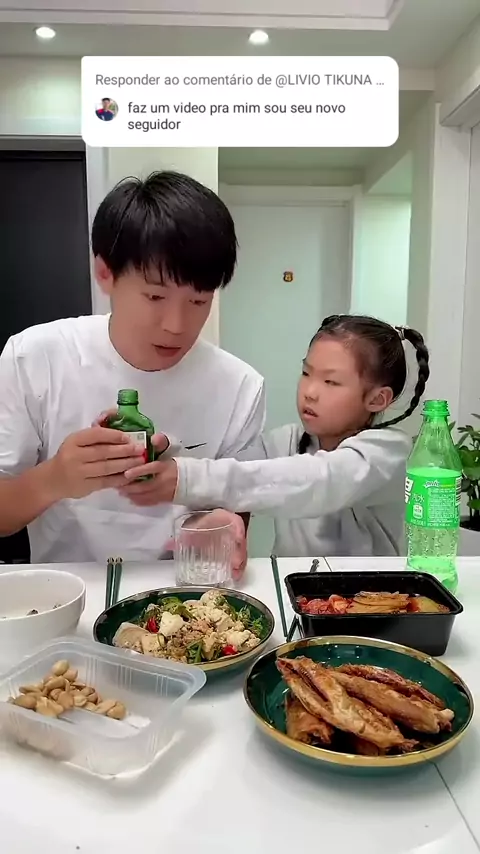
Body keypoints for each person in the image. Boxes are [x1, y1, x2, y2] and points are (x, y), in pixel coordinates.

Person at [0, 171, 265, 566]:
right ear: (105, 273)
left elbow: (236, 509)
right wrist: (55, 478)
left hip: (185, 593)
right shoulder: (33, 358)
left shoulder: (240, 387)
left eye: (199, 301)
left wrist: (223, 525)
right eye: (155, 296)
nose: (176, 326)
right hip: (69, 592)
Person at [123, 315, 430, 557]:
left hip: (371, 602)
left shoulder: (390, 451)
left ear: (377, 399)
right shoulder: (286, 441)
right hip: (294, 596)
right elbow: (236, 468)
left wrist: (186, 477)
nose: (310, 392)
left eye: (331, 382)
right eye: (306, 373)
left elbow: (318, 480)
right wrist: (167, 457)